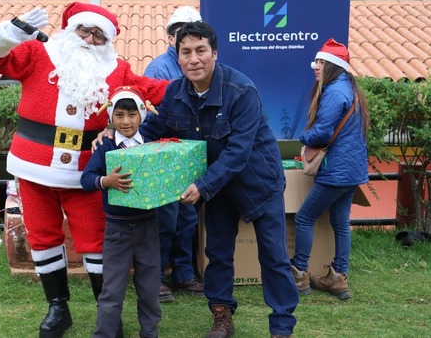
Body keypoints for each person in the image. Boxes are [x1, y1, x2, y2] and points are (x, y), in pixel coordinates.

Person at [95, 21, 298, 338]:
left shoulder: (241, 91)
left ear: (214, 53)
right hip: (217, 189)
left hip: (258, 183)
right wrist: (117, 135)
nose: (193, 59)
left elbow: (238, 151)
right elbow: (152, 131)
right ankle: (222, 315)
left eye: (201, 50)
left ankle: (282, 324)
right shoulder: (175, 93)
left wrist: (202, 186)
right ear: (178, 57)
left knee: (273, 255)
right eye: (185, 52)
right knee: (217, 253)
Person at [0, 2, 168, 338]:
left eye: (99, 35)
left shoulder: (118, 69)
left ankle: (106, 313)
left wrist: (200, 83)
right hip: (33, 166)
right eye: (85, 30)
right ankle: (58, 308)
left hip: (87, 172)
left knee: (95, 243)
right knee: (42, 237)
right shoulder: (39, 53)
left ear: (107, 41)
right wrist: (13, 31)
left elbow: (151, 91)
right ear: (71, 29)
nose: (90, 39)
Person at [290, 38, 370, 300]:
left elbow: (323, 133)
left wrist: (303, 138)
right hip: (350, 170)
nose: (316, 66)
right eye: (316, 61)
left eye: (321, 62)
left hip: (336, 172)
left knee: (303, 218)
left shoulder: (334, 92)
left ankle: (299, 274)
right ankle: (338, 278)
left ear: (333, 66)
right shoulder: (348, 88)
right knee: (340, 223)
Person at [81, 86, 162, 338]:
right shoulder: (105, 146)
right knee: (112, 290)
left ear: (141, 115)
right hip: (116, 230)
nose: (125, 122)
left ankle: (149, 333)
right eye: (119, 115)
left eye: (132, 115)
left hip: (148, 227)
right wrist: (106, 181)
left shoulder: (150, 145)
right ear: (110, 118)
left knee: (149, 288)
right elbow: (86, 179)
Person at [143, 5, 204, 303]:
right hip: (162, 155)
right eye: (180, 31)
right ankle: (155, 278)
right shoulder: (158, 69)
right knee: (165, 219)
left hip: (188, 155)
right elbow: (147, 118)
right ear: (170, 37)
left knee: (188, 218)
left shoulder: (199, 65)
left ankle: (183, 273)